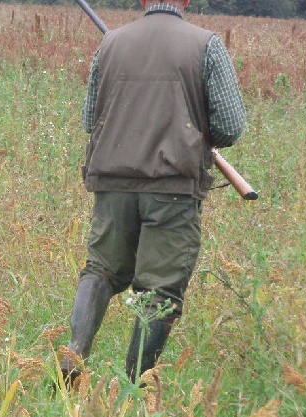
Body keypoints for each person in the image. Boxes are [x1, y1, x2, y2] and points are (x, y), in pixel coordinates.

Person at [61, 0, 246, 386]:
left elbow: (88, 118)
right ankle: (133, 391)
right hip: (172, 188)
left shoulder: (111, 44)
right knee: (160, 291)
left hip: (112, 184)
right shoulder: (206, 44)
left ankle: (74, 354)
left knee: (100, 270)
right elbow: (230, 126)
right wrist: (199, 135)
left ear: (144, 0)